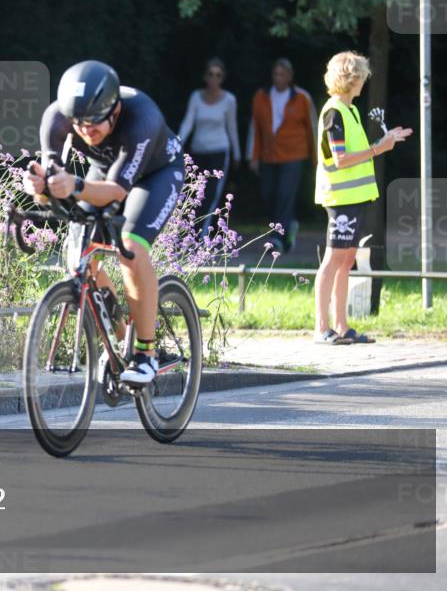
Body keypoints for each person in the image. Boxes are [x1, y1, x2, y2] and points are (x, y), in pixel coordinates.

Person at [21, 60, 184, 384]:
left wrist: (76, 186)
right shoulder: (56, 117)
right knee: (78, 258)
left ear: (115, 110)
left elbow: (115, 191)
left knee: (131, 249)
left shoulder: (142, 118)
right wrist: (39, 187)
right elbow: (52, 180)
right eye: (79, 124)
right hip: (106, 169)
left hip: (155, 175)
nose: (86, 131)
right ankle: (119, 342)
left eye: (95, 123)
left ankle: (145, 354)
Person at [313, 51, 412, 344]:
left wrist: (383, 141)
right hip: (340, 198)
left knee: (347, 260)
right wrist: (378, 148)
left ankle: (342, 327)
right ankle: (321, 328)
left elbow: (349, 153)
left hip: (354, 198)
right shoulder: (334, 113)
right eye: (362, 76)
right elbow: (339, 159)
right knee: (333, 259)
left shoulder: (351, 111)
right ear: (351, 78)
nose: (364, 81)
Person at [247, 58, 317, 252]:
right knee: (268, 195)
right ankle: (288, 226)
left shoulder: (302, 97)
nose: (279, 78)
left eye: (283, 74)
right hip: (268, 155)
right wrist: (252, 156)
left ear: (290, 76)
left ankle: (276, 238)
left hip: (294, 154)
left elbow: (313, 128)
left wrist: (316, 158)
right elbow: (255, 128)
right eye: (276, 74)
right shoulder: (261, 96)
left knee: (285, 195)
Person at [178, 58, 240, 238]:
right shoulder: (196, 97)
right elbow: (187, 123)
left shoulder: (229, 100)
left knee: (212, 195)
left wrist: (237, 154)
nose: (214, 78)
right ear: (205, 77)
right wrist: (177, 144)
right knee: (195, 194)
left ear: (222, 78)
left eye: (218, 75)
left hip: (219, 151)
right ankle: (189, 233)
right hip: (198, 152)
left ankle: (200, 237)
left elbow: (232, 127)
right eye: (211, 74)